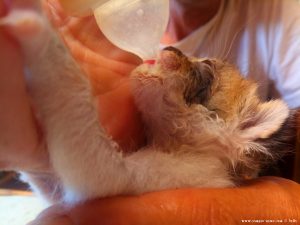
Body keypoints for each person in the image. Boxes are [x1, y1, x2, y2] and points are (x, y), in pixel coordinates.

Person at [0, 0, 299, 224]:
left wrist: (49, 58)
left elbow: (94, 179)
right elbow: (75, 192)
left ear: (242, 130)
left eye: (203, 75)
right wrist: (35, 160)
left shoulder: (200, 173)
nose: (166, 55)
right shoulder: (119, 16)